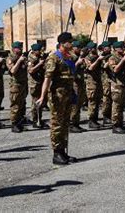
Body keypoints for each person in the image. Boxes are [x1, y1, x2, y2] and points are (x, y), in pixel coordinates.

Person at [36, 32, 77, 165]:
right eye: (69, 41)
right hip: (57, 96)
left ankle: (63, 151)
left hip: (68, 94)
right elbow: (47, 79)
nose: (72, 44)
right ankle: (57, 153)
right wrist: (42, 96)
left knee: (65, 123)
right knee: (57, 124)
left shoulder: (70, 57)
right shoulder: (54, 58)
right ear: (62, 43)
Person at [108, 41, 125, 134]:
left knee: (121, 106)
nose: (123, 48)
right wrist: (123, 60)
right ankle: (116, 125)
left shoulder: (123, 56)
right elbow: (115, 70)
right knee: (116, 105)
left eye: (123, 46)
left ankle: (120, 124)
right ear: (116, 49)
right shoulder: (112, 58)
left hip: (124, 84)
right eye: (121, 47)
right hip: (117, 85)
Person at [6, 41, 28, 133]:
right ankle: (14, 124)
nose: (20, 50)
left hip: (23, 84)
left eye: (21, 48)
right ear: (13, 49)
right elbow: (13, 71)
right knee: (15, 105)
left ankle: (20, 122)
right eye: (18, 48)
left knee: (22, 105)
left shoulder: (22, 57)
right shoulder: (10, 58)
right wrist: (19, 61)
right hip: (15, 85)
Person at [28, 43, 48, 128]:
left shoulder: (39, 58)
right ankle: (35, 120)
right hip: (34, 84)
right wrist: (40, 64)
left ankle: (40, 119)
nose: (41, 52)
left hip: (40, 82)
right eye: (39, 50)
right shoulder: (31, 59)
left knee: (41, 103)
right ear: (35, 51)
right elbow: (31, 71)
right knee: (35, 103)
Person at [84, 42, 104, 129]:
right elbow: (90, 68)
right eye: (93, 48)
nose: (95, 49)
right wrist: (98, 60)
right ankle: (91, 120)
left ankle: (95, 119)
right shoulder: (87, 58)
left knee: (97, 102)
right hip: (91, 83)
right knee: (92, 102)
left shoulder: (96, 57)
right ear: (89, 49)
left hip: (98, 81)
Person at [69, 40, 87, 133]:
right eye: (78, 47)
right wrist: (77, 63)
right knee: (74, 105)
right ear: (74, 48)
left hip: (80, 82)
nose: (80, 49)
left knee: (79, 103)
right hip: (74, 83)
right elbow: (69, 70)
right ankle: (72, 124)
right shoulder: (70, 57)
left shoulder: (79, 56)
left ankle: (76, 123)